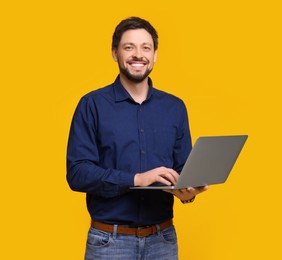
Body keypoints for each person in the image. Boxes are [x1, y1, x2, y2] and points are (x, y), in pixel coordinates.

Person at [67, 16, 208, 260]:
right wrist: (137, 179)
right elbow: (78, 173)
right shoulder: (92, 105)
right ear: (115, 53)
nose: (138, 55)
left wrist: (189, 192)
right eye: (128, 47)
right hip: (109, 242)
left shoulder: (175, 107)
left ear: (154, 55)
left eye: (146, 47)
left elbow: (182, 168)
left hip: (162, 240)